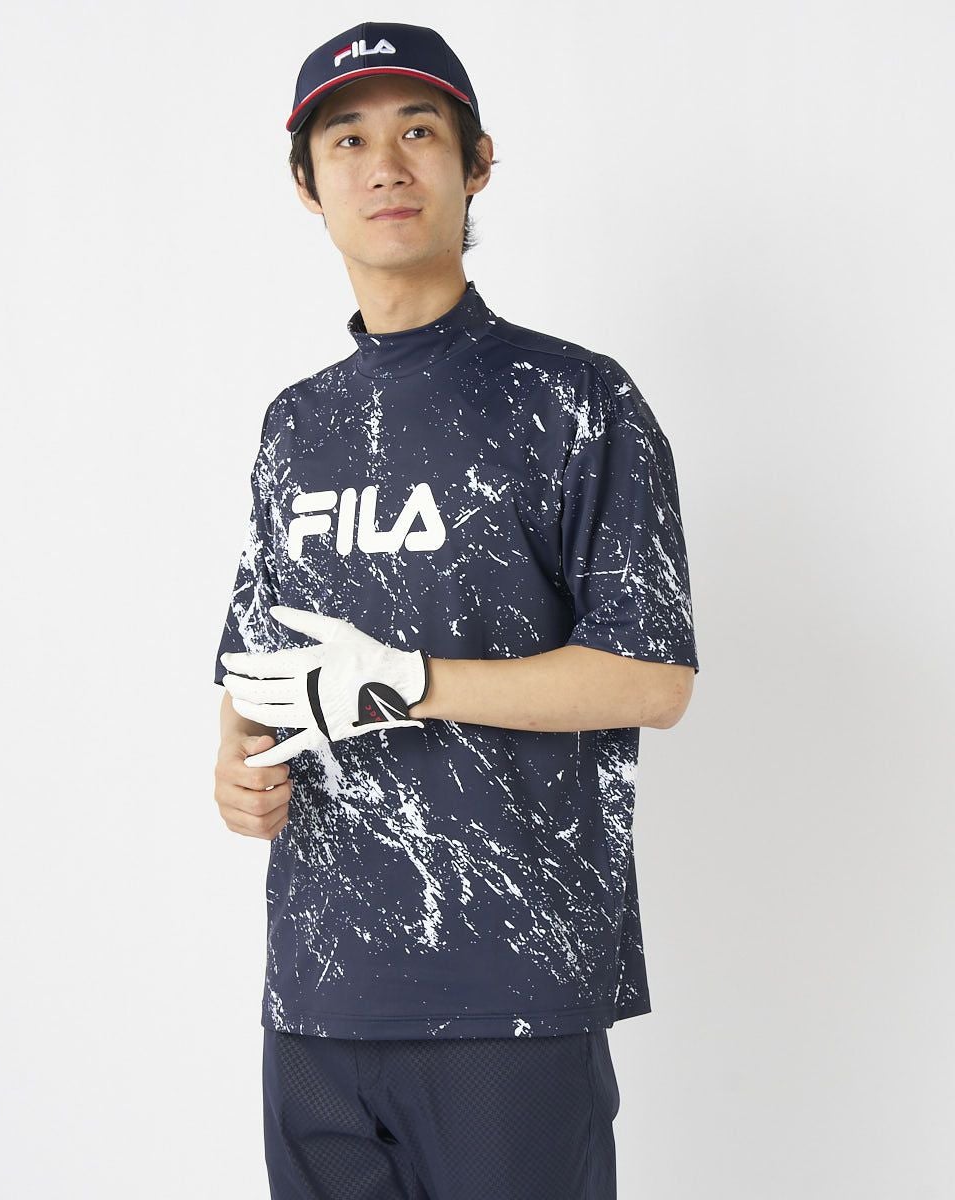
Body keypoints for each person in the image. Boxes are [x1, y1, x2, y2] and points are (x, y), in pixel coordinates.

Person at [212, 20, 699, 1200]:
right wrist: (236, 766)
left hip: (508, 992)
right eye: (348, 140)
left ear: (476, 163)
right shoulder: (296, 423)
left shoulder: (575, 398)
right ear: (307, 185)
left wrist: (412, 681)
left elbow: (653, 678)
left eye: (419, 132)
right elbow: (251, 665)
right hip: (318, 997)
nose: (384, 165)